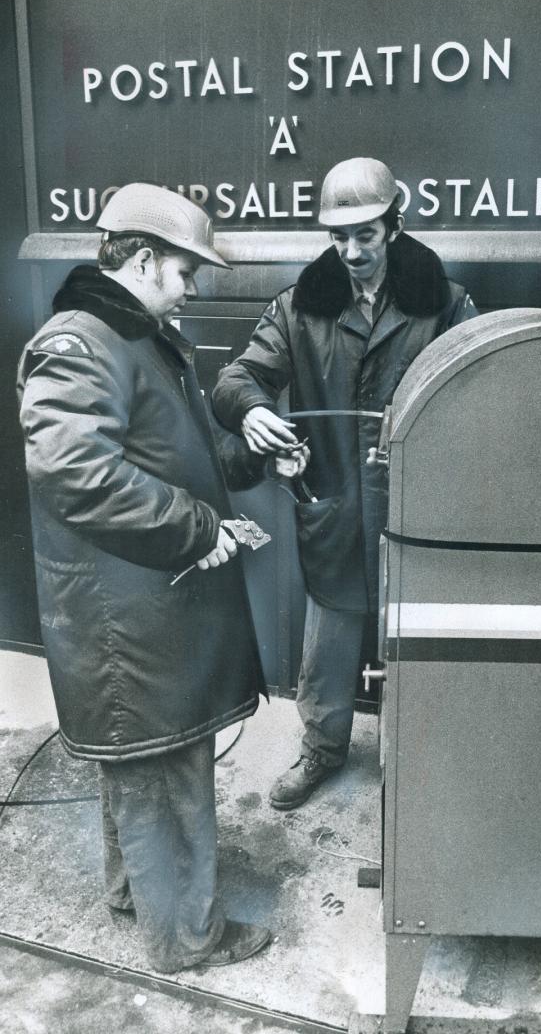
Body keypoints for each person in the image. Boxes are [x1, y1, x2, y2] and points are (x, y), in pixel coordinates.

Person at [17, 183, 306, 974]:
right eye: (185, 272)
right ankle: (185, 937)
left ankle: (134, 895)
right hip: (128, 619)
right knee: (164, 768)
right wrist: (197, 528)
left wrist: (253, 460)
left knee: (140, 764)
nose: (192, 288)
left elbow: (174, 456)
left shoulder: (131, 335)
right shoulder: (81, 342)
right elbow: (72, 469)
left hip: (143, 604)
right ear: (142, 260)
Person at [212, 157, 479, 810]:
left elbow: (479, 398)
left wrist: (428, 449)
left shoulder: (444, 304)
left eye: (366, 233)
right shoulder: (298, 308)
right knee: (325, 653)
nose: (353, 250)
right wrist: (252, 413)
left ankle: (413, 763)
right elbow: (233, 382)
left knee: (416, 645)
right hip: (332, 511)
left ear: (393, 225)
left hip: (414, 515)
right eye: (339, 237)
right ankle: (321, 752)